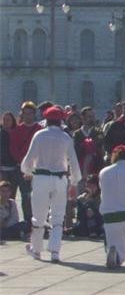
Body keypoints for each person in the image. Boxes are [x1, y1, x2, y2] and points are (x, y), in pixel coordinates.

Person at [20, 106, 81, 262]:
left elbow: (28, 159)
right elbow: (73, 162)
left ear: (46, 120)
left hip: (41, 178)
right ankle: (55, 251)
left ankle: (36, 249)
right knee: (58, 216)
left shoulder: (39, 135)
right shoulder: (66, 137)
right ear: (61, 120)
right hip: (60, 179)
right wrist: (74, 181)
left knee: (38, 215)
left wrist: (28, 171)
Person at [9, 101, 42, 227]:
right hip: (21, 168)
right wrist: (24, 163)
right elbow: (13, 149)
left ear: (34, 114)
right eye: (25, 113)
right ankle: (28, 220)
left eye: (30, 113)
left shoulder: (39, 129)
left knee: (37, 195)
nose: (27, 116)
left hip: (37, 168)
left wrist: (33, 164)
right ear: (22, 114)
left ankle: (38, 220)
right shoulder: (17, 130)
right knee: (25, 195)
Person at [71, 173, 103, 238]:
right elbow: (79, 216)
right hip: (85, 224)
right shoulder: (81, 198)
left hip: (99, 221)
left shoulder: (101, 197)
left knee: (91, 206)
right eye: (88, 186)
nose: (90, 188)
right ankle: (92, 231)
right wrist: (87, 201)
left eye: (93, 186)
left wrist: (93, 208)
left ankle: (95, 231)